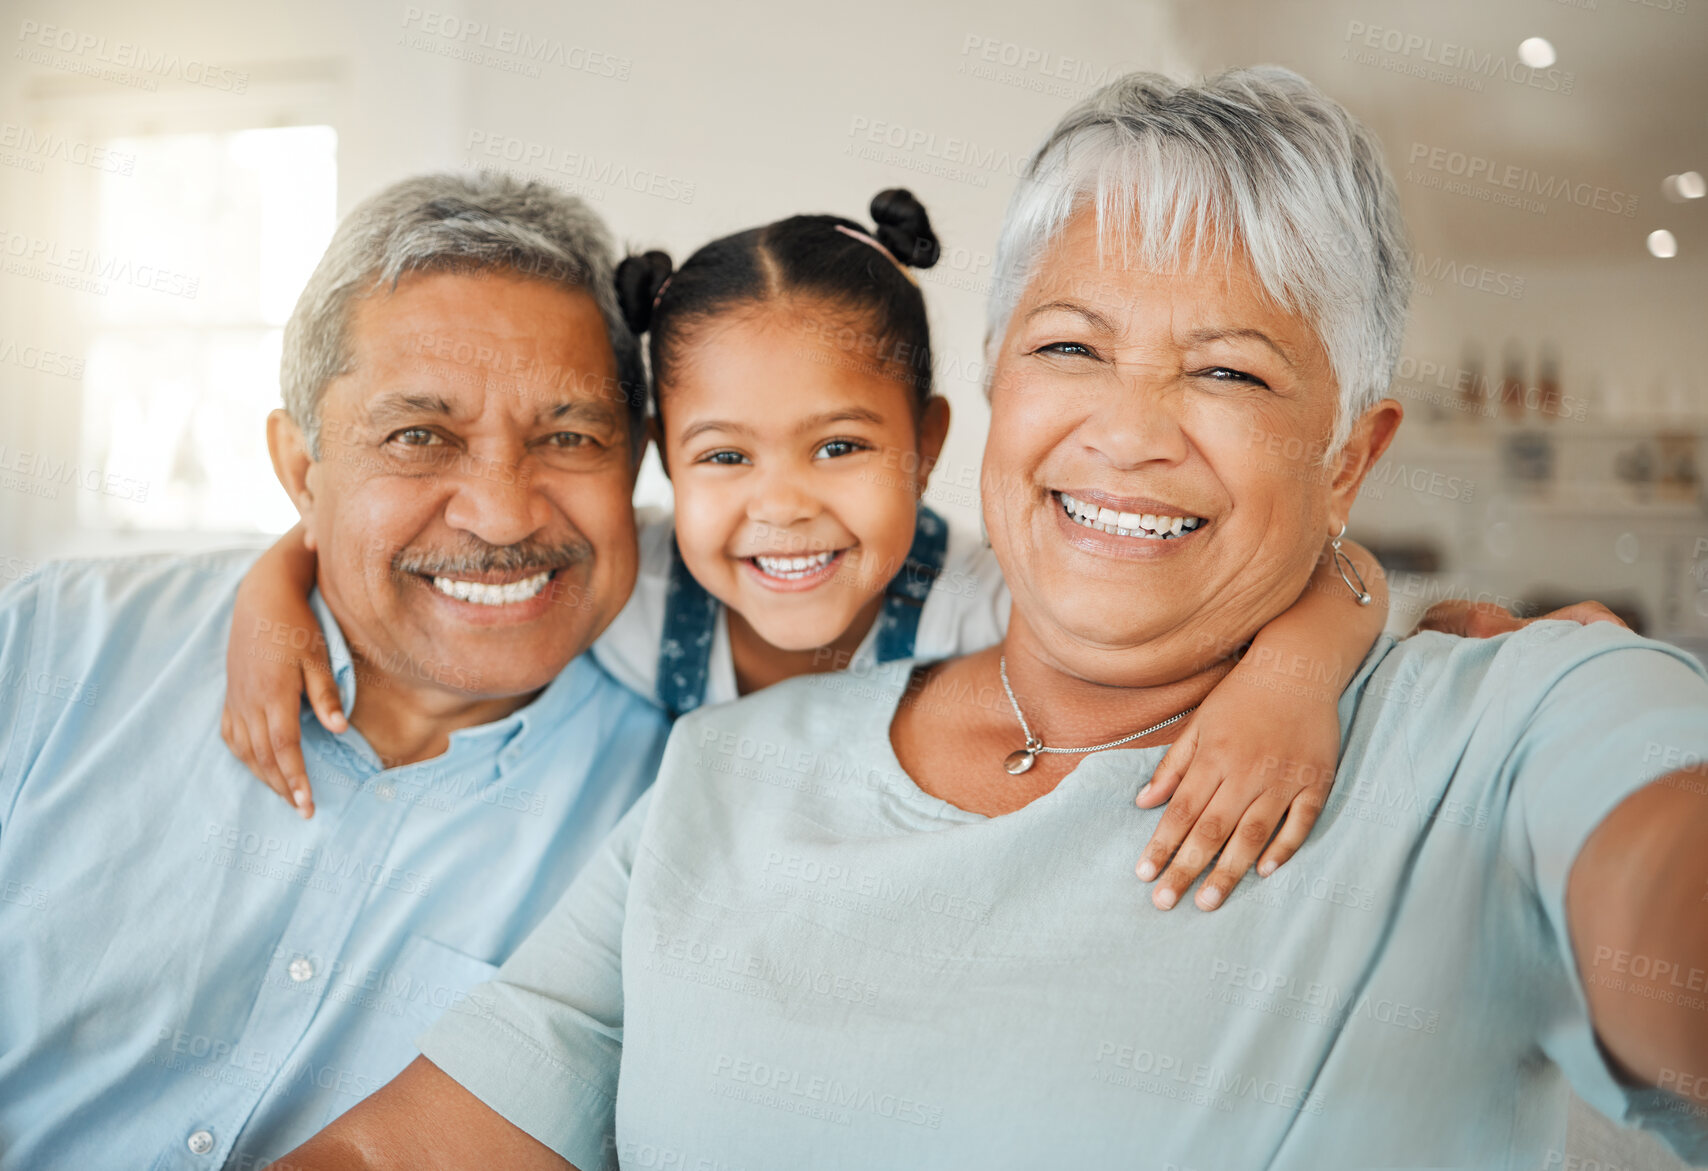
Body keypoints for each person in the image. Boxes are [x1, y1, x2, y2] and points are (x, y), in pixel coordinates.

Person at [272, 68, 1702, 1170]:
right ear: (1003, 395)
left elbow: (1660, 887)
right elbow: (411, 1138)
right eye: (1071, 346)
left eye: (1232, 373)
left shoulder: (1504, 713)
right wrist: (281, 579)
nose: (1126, 435)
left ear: (1351, 456)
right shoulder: (721, 763)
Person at [223, 189, 1401, 908]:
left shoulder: (983, 609)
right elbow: (461, 551)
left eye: (837, 448)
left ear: (926, 444)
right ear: (661, 462)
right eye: (725, 459)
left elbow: (1321, 569)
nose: (781, 511)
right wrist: (274, 594)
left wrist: (1293, 681)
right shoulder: (634, 594)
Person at [0, 173, 671, 1169]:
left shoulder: (688, 786)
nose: (502, 513)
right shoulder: (57, 644)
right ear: (300, 470)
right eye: (419, 437)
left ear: (637, 464)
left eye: (568, 438)